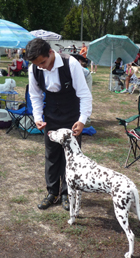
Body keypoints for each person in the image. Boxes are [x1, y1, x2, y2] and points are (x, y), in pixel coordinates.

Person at [27, 38, 92, 211]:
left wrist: (82, 120)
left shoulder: (70, 64)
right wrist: (38, 116)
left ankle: (67, 193)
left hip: (72, 115)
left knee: (71, 158)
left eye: (43, 62)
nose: (41, 67)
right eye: (37, 64)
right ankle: (52, 192)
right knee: (52, 154)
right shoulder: (34, 68)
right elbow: (35, 95)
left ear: (50, 53)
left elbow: (84, 94)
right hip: (51, 116)